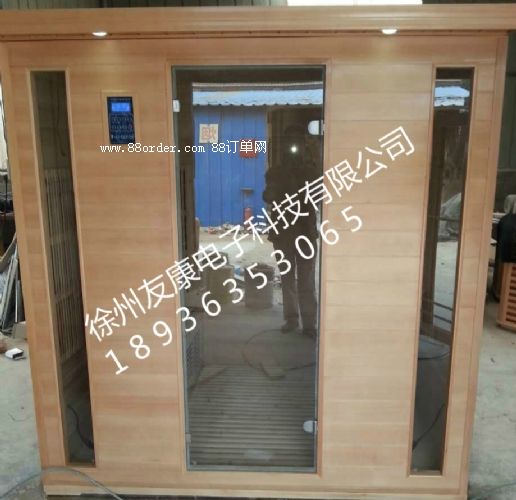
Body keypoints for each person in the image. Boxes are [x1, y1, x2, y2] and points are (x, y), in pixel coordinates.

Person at [262, 124, 319, 338]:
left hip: (304, 232)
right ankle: (292, 319)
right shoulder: (276, 172)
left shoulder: (311, 172)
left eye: (298, 142)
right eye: (290, 142)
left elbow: (320, 195)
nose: (294, 147)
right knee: (287, 278)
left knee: (306, 280)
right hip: (284, 232)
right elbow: (267, 196)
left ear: (303, 146)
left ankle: (309, 324)